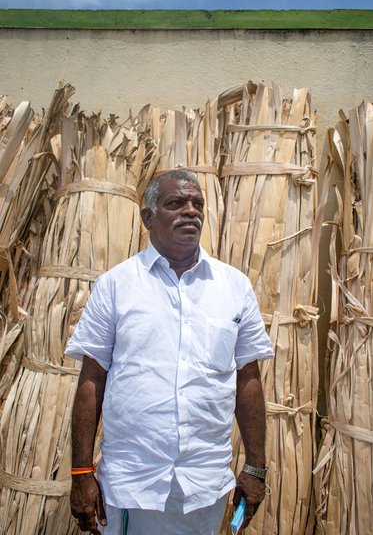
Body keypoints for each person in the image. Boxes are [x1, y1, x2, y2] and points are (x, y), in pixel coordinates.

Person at [65, 169, 273, 535]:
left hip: (201, 486)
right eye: (175, 203)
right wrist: (81, 472)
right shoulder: (115, 286)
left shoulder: (234, 287)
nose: (190, 212)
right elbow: (92, 380)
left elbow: (248, 380)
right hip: (128, 482)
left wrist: (255, 466)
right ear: (148, 217)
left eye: (197, 204)